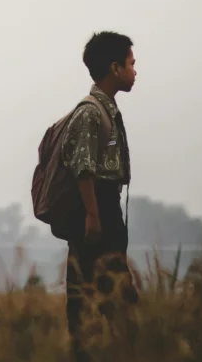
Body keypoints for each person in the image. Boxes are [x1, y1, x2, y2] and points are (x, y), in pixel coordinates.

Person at [62, 31, 140, 361]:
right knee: (92, 297)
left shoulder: (106, 110)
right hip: (96, 210)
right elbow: (83, 168)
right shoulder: (91, 112)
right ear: (114, 68)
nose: (135, 71)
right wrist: (93, 216)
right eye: (131, 63)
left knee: (108, 294)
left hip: (104, 208)